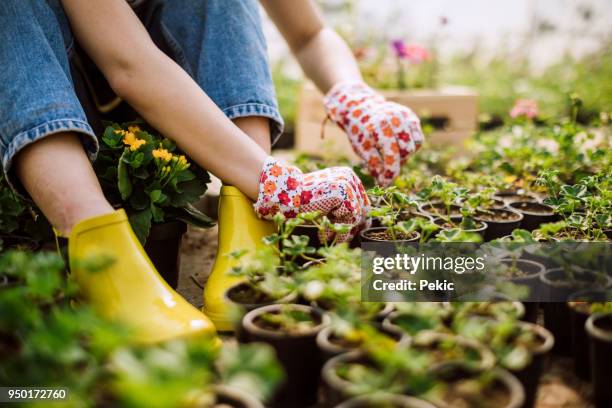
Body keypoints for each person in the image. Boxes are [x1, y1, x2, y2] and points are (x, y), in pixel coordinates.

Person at [0, 0, 423, 342]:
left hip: (175, 111)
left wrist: (353, 93)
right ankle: (97, 256)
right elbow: (129, 66)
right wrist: (281, 182)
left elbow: (310, 33)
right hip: (45, 107)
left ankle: (248, 221)